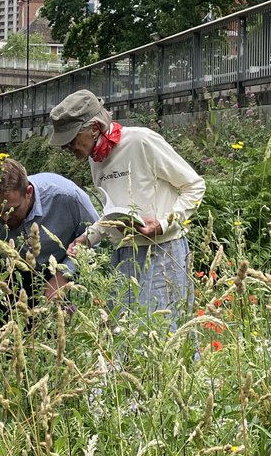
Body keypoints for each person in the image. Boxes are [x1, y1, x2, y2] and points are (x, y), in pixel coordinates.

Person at [48, 90, 205, 322]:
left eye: (71, 139)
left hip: (163, 253)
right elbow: (113, 211)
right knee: (124, 333)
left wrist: (162, 225)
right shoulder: (95, 158)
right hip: (123, 256)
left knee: (164, 331)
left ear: (94, 128)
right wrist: (88, 238)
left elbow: (195, 186)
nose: (67, 147)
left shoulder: (141, 141)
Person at [0, 156, 98, 318]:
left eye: (13, 209)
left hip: (64, 267)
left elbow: (94, 237)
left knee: (61, 331)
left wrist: (63, 274)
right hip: (13, 273)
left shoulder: (67, 196)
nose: (5, 218)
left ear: (29, 192)